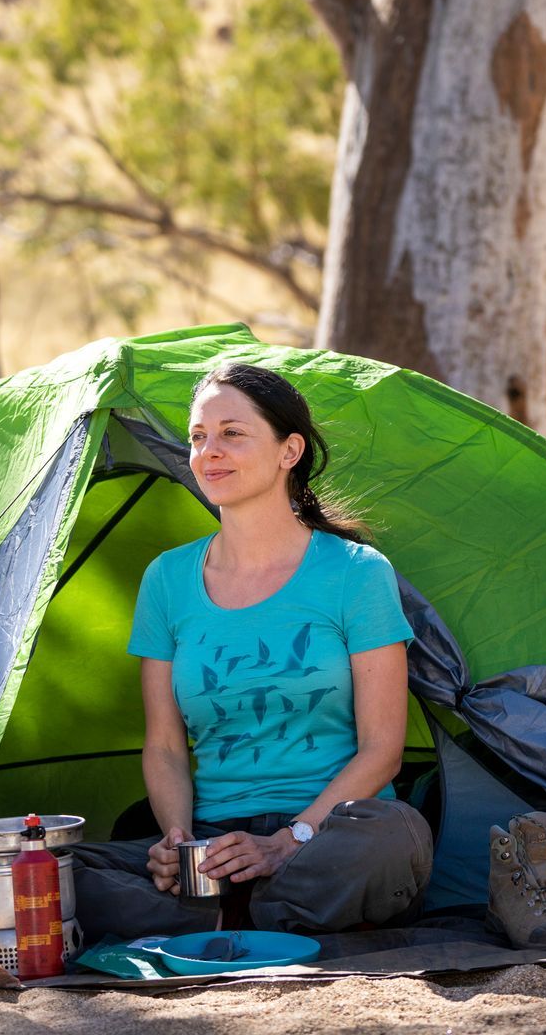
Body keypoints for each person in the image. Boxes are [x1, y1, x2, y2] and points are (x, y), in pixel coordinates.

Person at [72, 362, 433, 942]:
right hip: (216, 840)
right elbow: (164, 744)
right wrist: (176, 841)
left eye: (232, 434)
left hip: (330, 832)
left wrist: (287, 843)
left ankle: (224, 921)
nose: (208, 452)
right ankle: (251, 915)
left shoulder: (355, 573)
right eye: (197, 437)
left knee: (394, 840)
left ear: (289, 450)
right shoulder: (168, 579)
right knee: (59, 874)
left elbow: (383, 752)